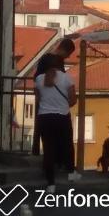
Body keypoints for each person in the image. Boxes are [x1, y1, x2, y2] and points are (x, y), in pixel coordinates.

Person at [35, 55, 77, 191]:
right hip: (62, 117)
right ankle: (71, 173)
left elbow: (38, 98)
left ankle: (51, 183)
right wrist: (62, 105)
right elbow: (73, 100)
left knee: (48, 149)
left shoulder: (39, 79)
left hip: (44, 118)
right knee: (67, 145)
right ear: (60, 64)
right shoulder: (66, 78)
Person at [32, 37, 75, 159]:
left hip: (44, 105)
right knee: (64, 139)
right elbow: (60, 80)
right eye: (68, 54)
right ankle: (63, 164)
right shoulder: (57, 62)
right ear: (65, 50)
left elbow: (36, 78)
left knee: (48, 141)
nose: (68, 57)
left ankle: (48, 163)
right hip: (58, 107)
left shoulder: (45, 58)